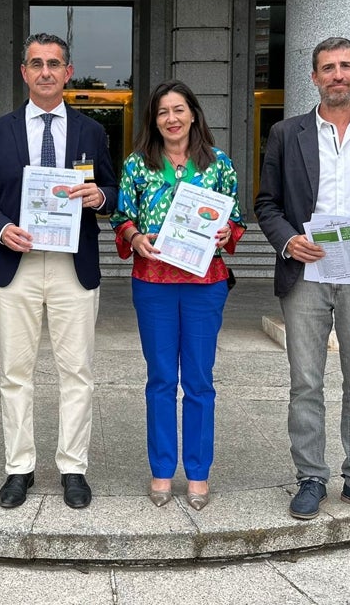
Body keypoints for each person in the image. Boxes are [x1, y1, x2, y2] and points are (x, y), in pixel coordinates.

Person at [254, 37, 350, 527]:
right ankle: (311, 478)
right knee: (306, 382)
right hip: (307, 273)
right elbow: (266, 203)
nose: (337, 75)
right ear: (314, 77)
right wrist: (287, 241)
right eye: (328, 68)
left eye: (345, 66)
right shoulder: (286, 132)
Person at [0, 32, 118, 510]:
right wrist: (0, 229)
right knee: (16, 373)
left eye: (54, 63)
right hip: (19, 265)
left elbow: (112, 191)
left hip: (74, 266)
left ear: (68, 72)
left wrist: (100, 198)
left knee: (77, 372)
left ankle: (73, 468)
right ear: (24, 72)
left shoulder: (92, 131)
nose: (46, 72)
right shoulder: (0, 131)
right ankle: (19, 468)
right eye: (37, 63)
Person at [110, 80, 245, 511]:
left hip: (206, 284)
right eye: (163, 111)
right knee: (162, 379)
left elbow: (235, 218)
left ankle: (199, 473)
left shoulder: (218, 163)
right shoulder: (137, 164)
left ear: (193, 114)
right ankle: (162, 470)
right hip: (153, 283)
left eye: (179, 109)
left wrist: (227, 232)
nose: (171, 118)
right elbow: (121, 215)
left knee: (201, 381)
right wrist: (132, 237)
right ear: (154, 119)